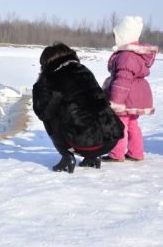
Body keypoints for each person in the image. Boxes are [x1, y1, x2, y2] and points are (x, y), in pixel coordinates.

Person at [32, 42, 124, 173]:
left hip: (85, 145)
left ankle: (66, 157)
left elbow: (43, 113)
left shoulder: (52, 78)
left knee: (50, 118)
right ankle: (92, 157)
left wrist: (38, 85)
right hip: (111, 140)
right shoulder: (83, 69)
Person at [102, 16, 159, 162]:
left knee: (120, 123)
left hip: (127, 95)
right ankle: (136, 152)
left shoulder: (126, 56)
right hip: (138, 93)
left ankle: (116, 153)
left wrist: (115, 102)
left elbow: (123, 80)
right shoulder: (135, 54)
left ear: (123, 36)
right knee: (132, 123)